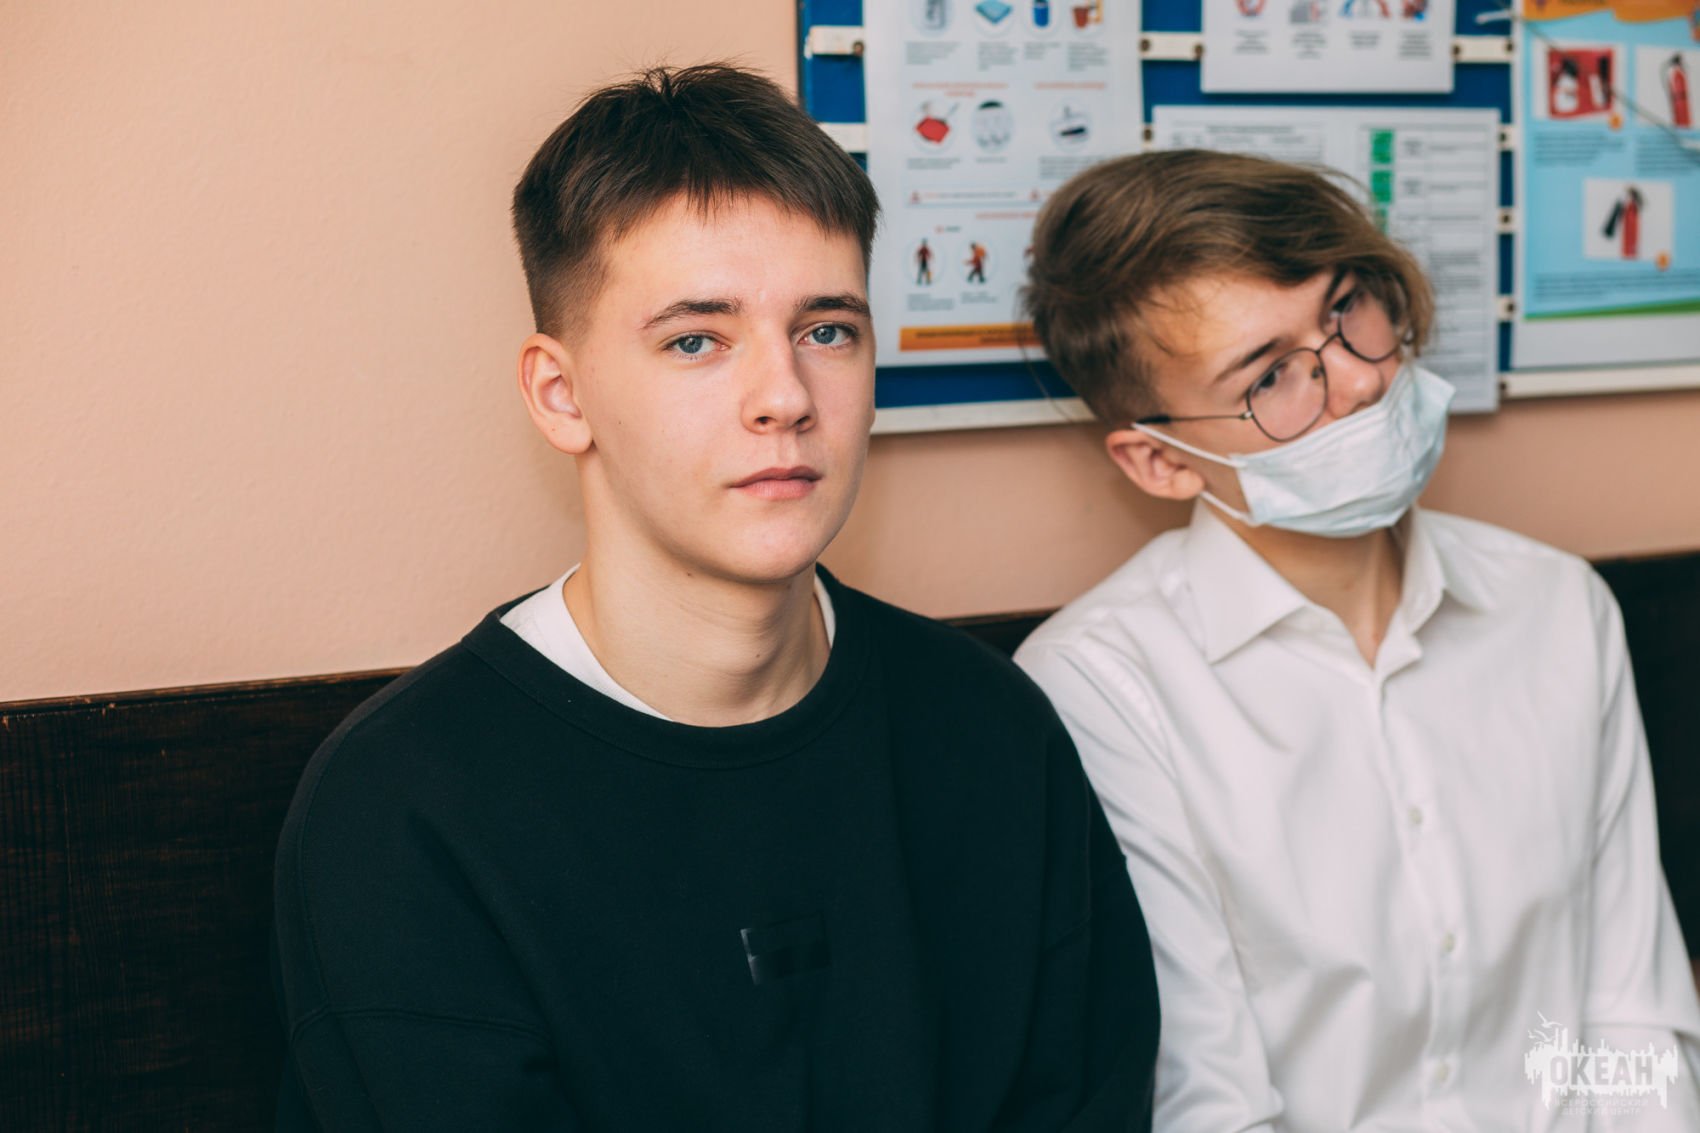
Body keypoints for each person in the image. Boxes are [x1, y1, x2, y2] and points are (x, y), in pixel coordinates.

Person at [271, 63, 1158, 1131]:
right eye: (696, 339)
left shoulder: (990, 726)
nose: (784, 396)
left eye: (826, 330)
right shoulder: (404, 807)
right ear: (561, 394)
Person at [1015, 148, 1700, 1130]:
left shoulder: (1557, 607)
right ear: (1161, 460)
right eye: (1271, 376)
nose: (1359, 379)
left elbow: (1630, 1020)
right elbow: (1208, 1101)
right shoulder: (1104, 685)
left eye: (1348, 310)